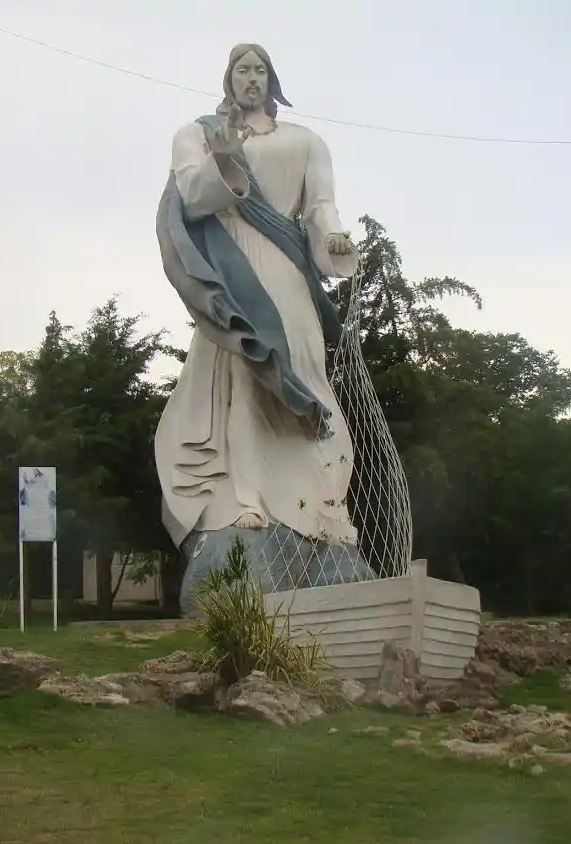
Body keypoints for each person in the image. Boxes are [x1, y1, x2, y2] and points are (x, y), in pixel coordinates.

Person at [155, 43, 369, 600]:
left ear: (273, 79)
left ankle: (325, 496)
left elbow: (321, 210)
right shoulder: (198, 134)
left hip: (289, 276)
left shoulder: (305, 141)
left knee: (309, 382)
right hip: (233, 274)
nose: (251, 78)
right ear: (227, 77)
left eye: (260, 70)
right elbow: (193, 197)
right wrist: (225, 156)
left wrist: (335, 241)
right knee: (247, 386)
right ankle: (246, 500)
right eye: (241, 70)